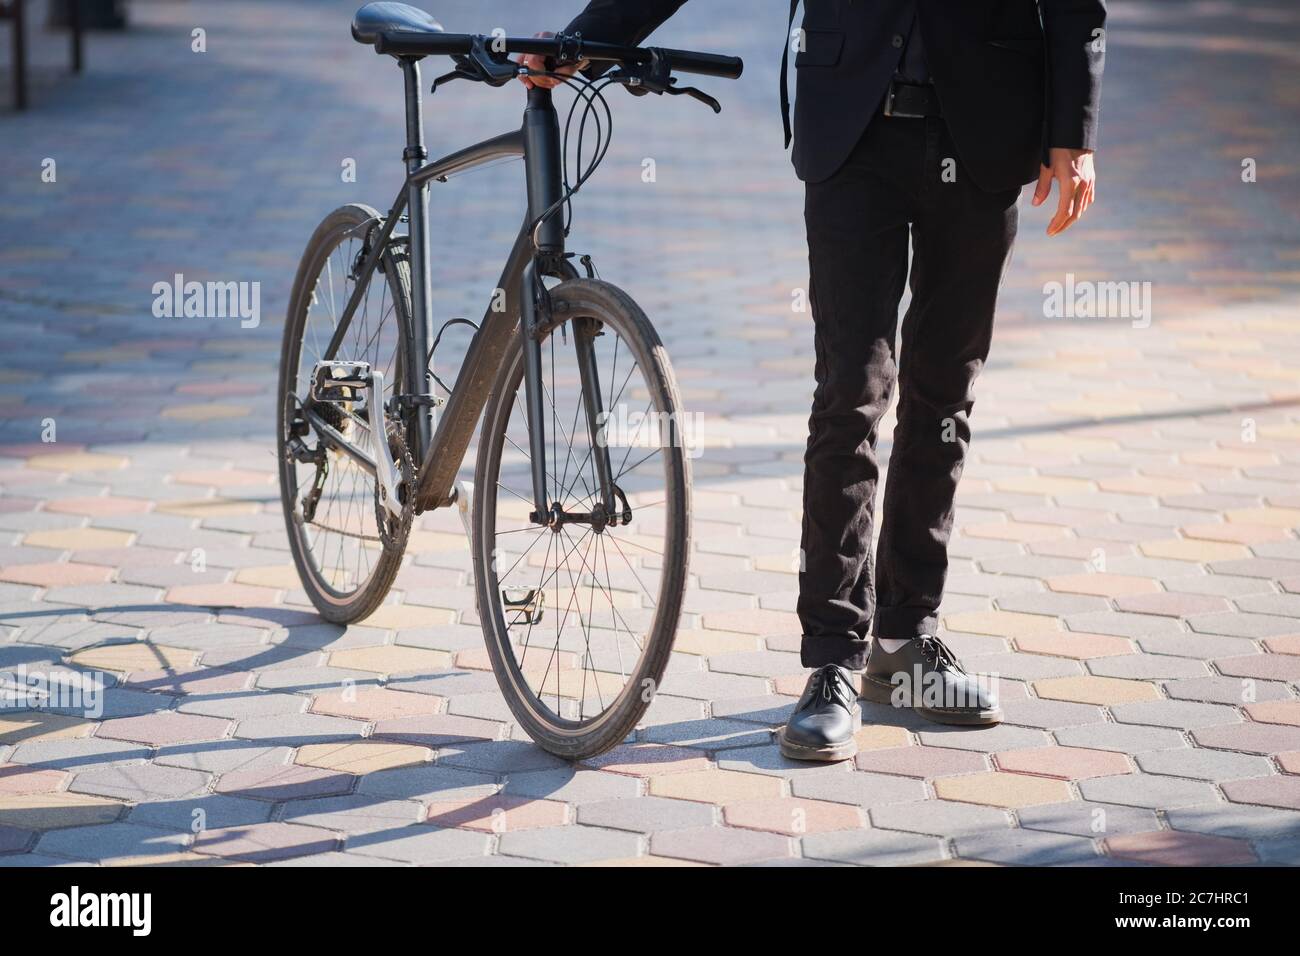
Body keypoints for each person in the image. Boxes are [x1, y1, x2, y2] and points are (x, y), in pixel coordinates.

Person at [520, 0, 1106, 761]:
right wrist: (590, 42)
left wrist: (1073, 132)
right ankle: (833, 657)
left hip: (988, 125)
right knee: (850, 398)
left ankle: (906, 640)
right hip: (852, 127)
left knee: (943, 397)